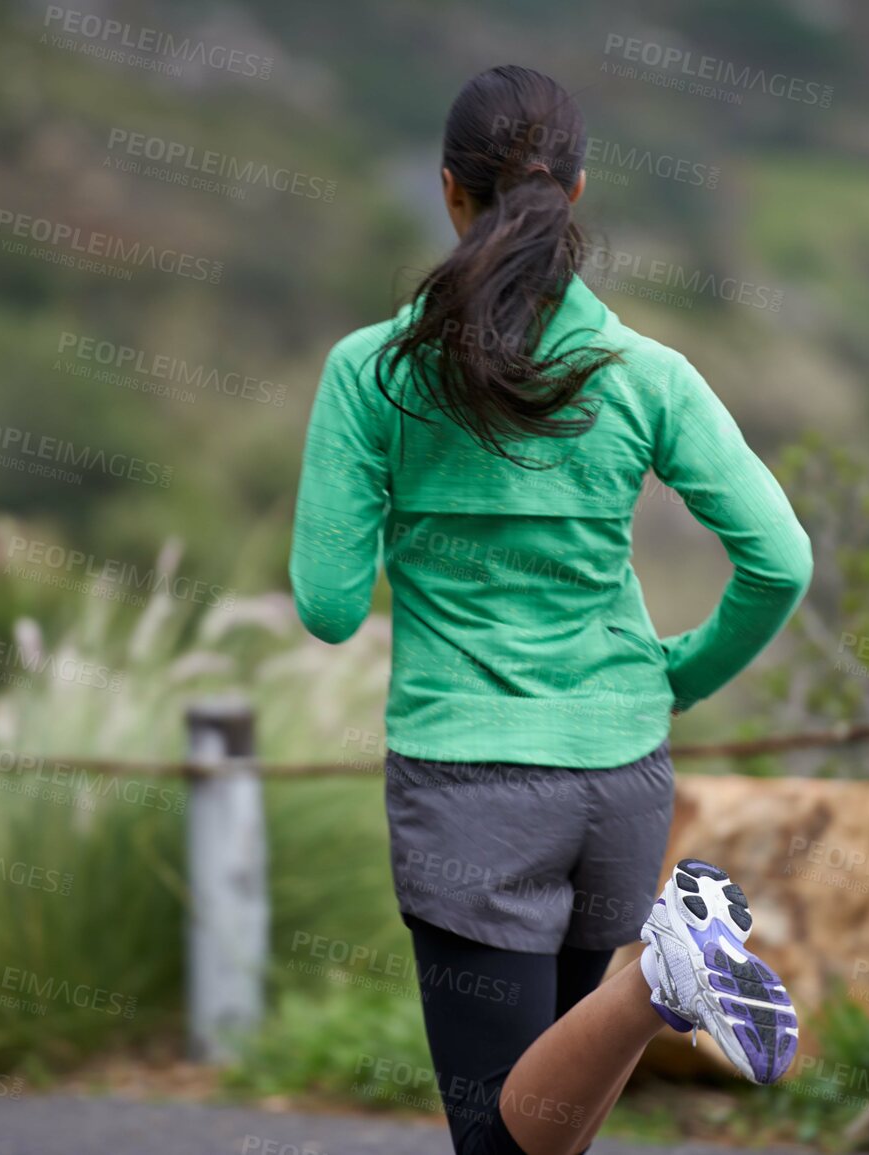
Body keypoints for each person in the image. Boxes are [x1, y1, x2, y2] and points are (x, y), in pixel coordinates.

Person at [290, 64, 813, 1155]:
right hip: (619, 778)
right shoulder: (646, 372)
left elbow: (329, 608)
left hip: (468, 786)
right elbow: (778, 560)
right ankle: (661, 971)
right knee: (549, 1129)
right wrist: (673, 677)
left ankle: (658, 980)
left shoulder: (372, 372)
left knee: (498, 1139)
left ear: (449, 191)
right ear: (576, 192)